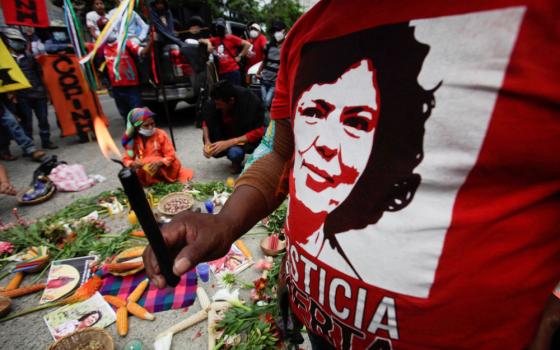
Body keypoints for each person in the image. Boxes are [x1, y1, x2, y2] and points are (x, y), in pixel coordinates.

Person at [143, 1, 560, 349]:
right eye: (317, 111)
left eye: (358, 122)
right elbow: (283, 150)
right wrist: (227, 222)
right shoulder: (310, 29)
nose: (325, 142)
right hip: (321, 329)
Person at [2, 28, 58, 150]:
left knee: (43, 119)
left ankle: (46, 141)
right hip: (22, 96)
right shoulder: (7, 61)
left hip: (38, 93)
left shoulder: (30, 57)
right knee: (26, 122)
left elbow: (40, 74)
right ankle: (30, 146)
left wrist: (46, 91)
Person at [201, 80, 265, 174]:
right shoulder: (215, 101)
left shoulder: (250, 101)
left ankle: (236, 162)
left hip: (241, 137)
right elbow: (206, 121)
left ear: (231, 101)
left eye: (219, 105)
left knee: (235, 153)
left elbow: (260, 130)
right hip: (224, 135)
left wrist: (229, 142)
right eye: (215, 104)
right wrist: (207, 141)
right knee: (218, 147)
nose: (217, 107)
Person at [122, 107, 193, 186]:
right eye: (146, 125)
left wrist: (159, 163)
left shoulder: (161, 134)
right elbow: (126, 159)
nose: (150, 127)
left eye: (152, 124)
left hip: (166, 169)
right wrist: (132, 163)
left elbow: (171, 155)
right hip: (147, 170)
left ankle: (157, 179)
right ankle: (152, 180)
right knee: (141, 166)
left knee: (151, 160)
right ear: (137, 127)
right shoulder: (133, 140)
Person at [103, 33, 150, 121]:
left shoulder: (126, 43)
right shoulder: (102, 48)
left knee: (137, 115)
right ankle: (132, 134)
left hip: (132, 87)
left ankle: (142, 133)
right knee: (125, 116)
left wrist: (151, 41)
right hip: (116, 88)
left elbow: (143, 52)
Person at [199, 18, 250, 86]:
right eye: (218, 28)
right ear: (216, 29)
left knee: (235, 92)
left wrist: (240, 56)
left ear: (225, 28)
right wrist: (209, 44)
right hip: (223, 72)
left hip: (233, 71)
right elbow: (200, 40)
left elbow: (247, 44)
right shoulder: (215, 40)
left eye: (221, 28)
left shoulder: (231, 38)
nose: (220, 30)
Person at [256, 21, 286, 114]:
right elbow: (264, 61)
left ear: (284, 31)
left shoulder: (287, 46)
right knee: (265, 103)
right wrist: (258, 72)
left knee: (267, 102)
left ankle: (268, 124)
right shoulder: (268, 45)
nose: (276, 33)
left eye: (278, 30)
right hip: (264, 78)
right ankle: (267, 124)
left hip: (275, 80)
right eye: (274, 31)